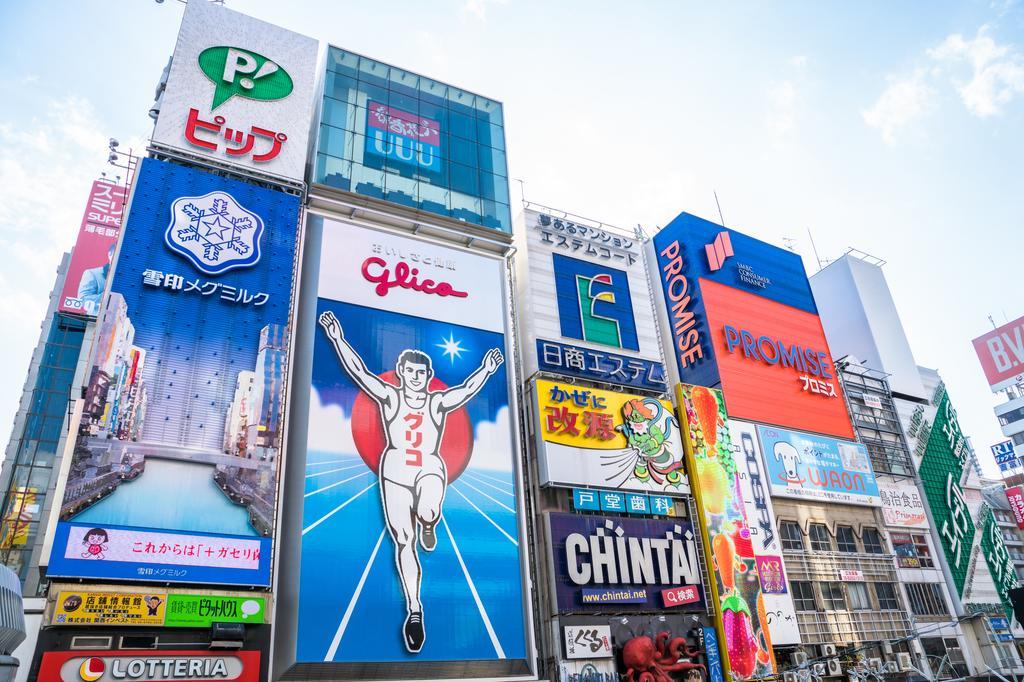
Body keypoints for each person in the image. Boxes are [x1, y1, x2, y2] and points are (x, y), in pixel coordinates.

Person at [318, 309, 503, 653]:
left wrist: (487, 370)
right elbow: (359, 372)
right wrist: (336, 337)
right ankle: (415, 610)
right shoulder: (390, 397)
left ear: (428, 375)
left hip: (429, 466)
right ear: (401, 373)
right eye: (410, 371)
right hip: (395, 469)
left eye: (421, 372)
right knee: (404, 541)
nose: (416, 376)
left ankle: (430, 520)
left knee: (429, 509)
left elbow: (464, 391)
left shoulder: (436, 402)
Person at [77, 244, 115, 316]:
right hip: (97, 320)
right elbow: (83, 299)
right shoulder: (92, 273)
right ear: (109, 255)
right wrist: (110, 294)